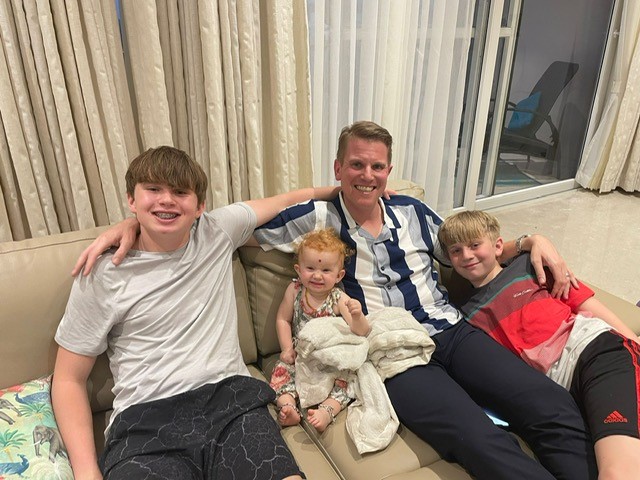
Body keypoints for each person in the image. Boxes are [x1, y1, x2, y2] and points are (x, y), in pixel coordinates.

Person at [73, 122, 597, 479]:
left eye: (378, 167)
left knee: (551, 407)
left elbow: (472, 251)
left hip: (449, 331)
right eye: (356, 165)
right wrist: (131, 224)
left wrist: (531, 240)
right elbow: (209, 226)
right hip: (388, 353)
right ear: (338, 168)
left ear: (389, 170)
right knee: (478, 438)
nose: (368, 176)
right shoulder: (312, 219)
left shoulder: (414, 211)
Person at [52, 146, 338, 480]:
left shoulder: (217, 230)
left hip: (231, 404)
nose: (166, 200)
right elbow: (68, 379)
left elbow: (286, 201)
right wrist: (87, 472)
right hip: (145, 425)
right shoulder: (102, 273)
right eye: (153, 189)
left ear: (200, 206)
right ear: (131, 199)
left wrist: (342, 190)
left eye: (180, 192)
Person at [437, 209, 640, 480]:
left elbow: (584, 304)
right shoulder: (464, 315)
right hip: (559, 391)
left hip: (593, 353)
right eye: (456, 250)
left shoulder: (529, 266)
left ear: (498, 246)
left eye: (475, 245)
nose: (466, 255)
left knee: (617, 472)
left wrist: (633, 341)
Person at [270, 228, 369, 433]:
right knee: (282, 373)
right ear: (298, 270)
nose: (317, 275)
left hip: (328, 359)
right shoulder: (295, 290)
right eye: (310, 268)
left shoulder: (338, 298)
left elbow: (361, 331)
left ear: (339, 275)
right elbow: (282, 319)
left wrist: (357, 315)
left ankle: (327, 410)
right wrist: (286, 348)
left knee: (348, 379)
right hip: (301, 355)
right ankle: (288, 407)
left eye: (325, 270)